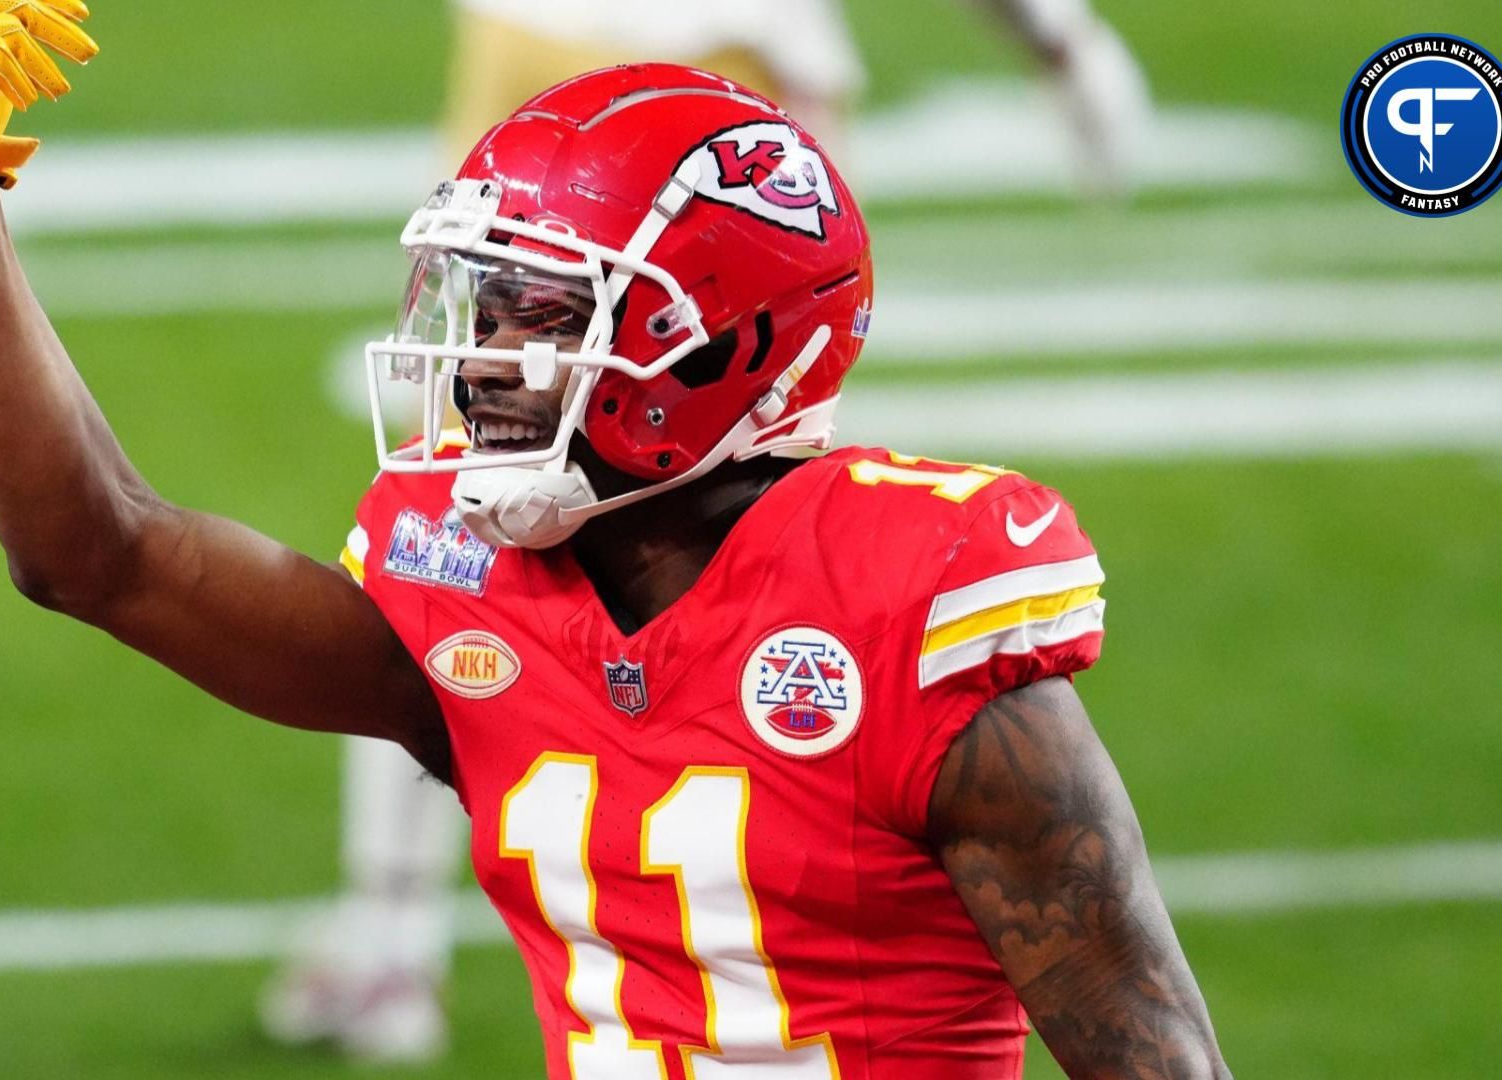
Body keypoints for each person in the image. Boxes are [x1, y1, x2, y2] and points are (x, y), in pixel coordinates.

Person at [0, 2, 1231, 1076]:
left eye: (540, 313)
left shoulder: (904, 612)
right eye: (477, 302)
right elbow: (97, 554)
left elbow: (1157, 1058)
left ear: (719, 346)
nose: (476, 360)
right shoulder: (476, 601)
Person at [267, 0, 1153, 1058]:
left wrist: (1054, 33)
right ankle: (391, 930)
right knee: (465, 515)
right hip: (544, 63)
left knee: (704, 465)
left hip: (720, 102)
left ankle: (408, 932)